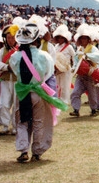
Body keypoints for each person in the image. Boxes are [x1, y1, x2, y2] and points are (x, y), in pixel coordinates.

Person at [9, 23, 67, 162]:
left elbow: (15, 71)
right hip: (39, 92)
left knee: (22, 121)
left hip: (22, 92)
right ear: (36, 40)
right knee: (39, 121)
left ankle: (23, 150)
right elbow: (48, 74)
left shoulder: (15, 57)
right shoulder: (44, 56)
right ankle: (37, 151)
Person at [0, 24, 20, 135]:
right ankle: (5, 125)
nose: (10, 40)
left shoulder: (20, 50)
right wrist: (6, 67)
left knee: (16, 104)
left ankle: (15, 126)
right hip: (5, 81)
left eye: (12, 37)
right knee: (4, 103)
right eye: (8, 38)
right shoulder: (2, 51)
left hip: (17, 81)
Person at [69, 24, 99, 117]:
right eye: (81, 38)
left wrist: (87, 56)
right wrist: (74, 67)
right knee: (75, 92)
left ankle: (94, 109)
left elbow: (97, 56)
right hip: (80, 75)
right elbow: (76, 60)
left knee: (92, 94)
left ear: (88, 40)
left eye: (85, 38)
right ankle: (76, 109)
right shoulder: (79, 49)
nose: (83, 40)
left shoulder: (93, 48)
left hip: (90, 74)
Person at [52, 24, 75, 104]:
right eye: (58, 37)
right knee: (58, 84)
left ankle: (65, 100)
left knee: (65, 85)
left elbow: (74, 57)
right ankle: (59, 98)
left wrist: (74, 67)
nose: (60, 39)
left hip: (66, 68)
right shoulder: (56, 46)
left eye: (62, 37)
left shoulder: (69, 47)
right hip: (57, 68)